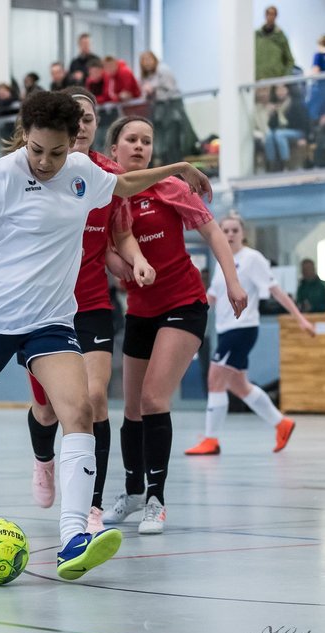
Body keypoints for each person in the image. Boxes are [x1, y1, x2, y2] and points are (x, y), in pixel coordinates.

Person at [0, 91, 222, 579]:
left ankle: (73, 535)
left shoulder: (79, 173)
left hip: (51, 322)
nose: (46, 162)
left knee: (79, 410)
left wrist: (177, 167)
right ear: (24, 137)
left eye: (56, 152)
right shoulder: (1, 176)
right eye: (37, 150)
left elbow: (124, 186)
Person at [98, 114, 247, 534]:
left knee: (153, 400)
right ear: (114, 150)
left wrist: (232, 282)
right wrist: (121, 268)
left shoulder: (171, 188)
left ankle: (156, 499)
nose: (140, 146)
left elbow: (215, 234)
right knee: (129, 408)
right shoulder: (104, 192)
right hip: (141, 309)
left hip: (183, 303)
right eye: (131, 139)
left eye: (147, 140)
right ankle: (130, 492)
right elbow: (104, 249)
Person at [25, 87, 150, 535]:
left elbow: (121, 235)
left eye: (89, 118)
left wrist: (135, 260)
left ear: (96, 127)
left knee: (95, 398)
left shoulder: (107, 176)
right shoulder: (35, 172)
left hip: (92, 303)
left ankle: (91, 506)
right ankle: (44, 460)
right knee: (48, 412)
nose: (81, 125)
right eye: (73, 117)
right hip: (41, 308)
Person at [185, 216, 314, 458]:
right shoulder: (222, 260)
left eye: (234, 230)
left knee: (215, 379)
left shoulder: (252, 259)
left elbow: (276, 291)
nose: (230, 234)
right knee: (238, 385)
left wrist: (300, 319)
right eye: (225, 230)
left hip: (242, 329)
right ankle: (281, 423)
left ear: (243, 233)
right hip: (225, 329)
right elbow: (211, 297)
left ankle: (211, 440)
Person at [255, 5, 295, 81]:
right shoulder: (256, 35)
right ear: (265, 15)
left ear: (276, 16)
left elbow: (290, 60)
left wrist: (283, 80)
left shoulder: (280, 36)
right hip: (259, 81)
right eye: (269, 14)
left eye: (273, 14)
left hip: (276, 82)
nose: (270, 17)